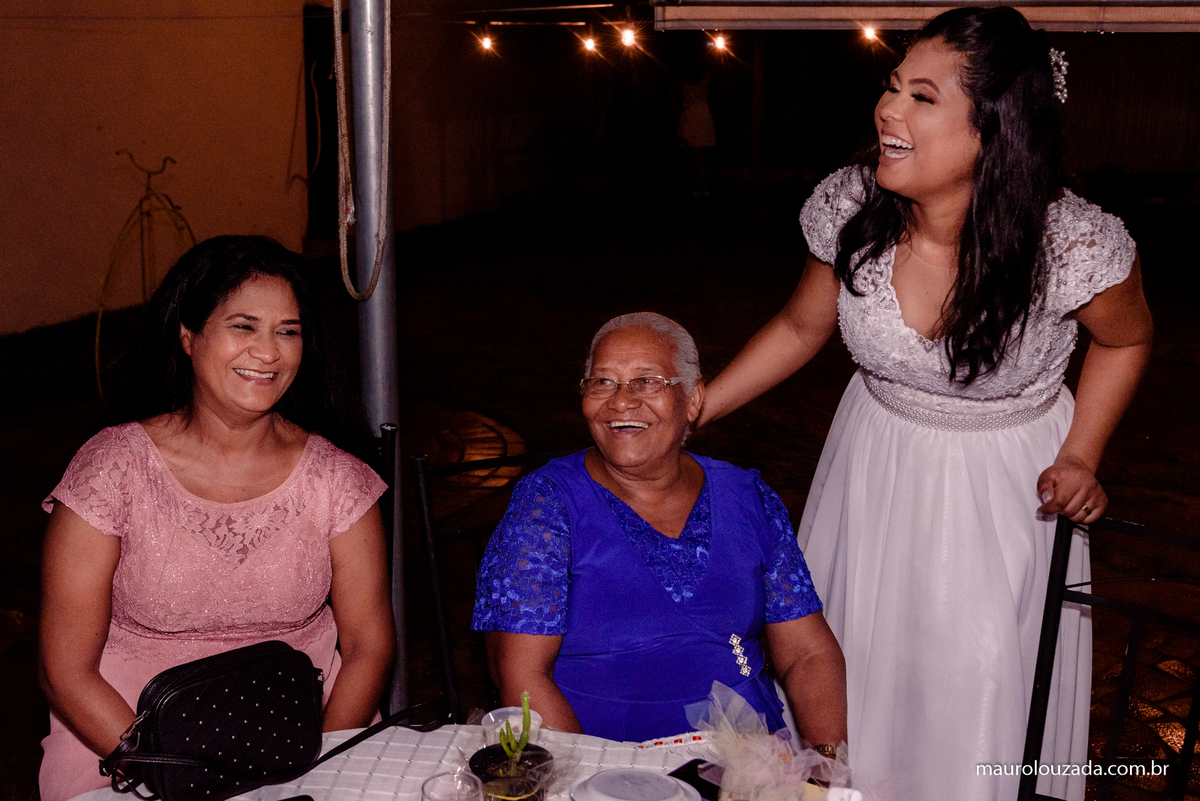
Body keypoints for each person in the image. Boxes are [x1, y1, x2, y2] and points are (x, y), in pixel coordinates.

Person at [699, 7, 1153, 800]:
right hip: (873, 463)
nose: (887, 110)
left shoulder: (1071, 244)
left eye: (921, 96)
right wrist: (698, 407)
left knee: (973, 680)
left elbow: (1127, 340)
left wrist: (1082, 453)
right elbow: (803, 325)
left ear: (993, 131)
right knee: (851, 665)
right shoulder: (851, 207)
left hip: (1006, 488)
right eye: (889, 87)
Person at [37, 236, 396, 800]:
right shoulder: (113, 469)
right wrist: (161, 772)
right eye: (244, 326)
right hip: (124, 741)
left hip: (302, 736)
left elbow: (369, 645)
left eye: (288, 331)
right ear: (188, 334)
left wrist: (316, 765)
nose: (268, 352)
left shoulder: (337, 480)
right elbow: (64, 668)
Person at [472, 312, 847, 748]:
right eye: (602, 382)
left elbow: (808, 653)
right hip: (592, 753)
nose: (621, 401)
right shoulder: (547, 504)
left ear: (692, 399)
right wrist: (594, 781)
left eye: (647, 381)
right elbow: (521, 678)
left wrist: (824, 769)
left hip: (744, 758)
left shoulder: (748, 496)